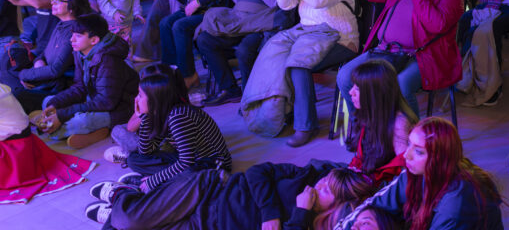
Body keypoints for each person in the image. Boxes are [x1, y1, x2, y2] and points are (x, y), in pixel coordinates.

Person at [241, 0, 358, 146]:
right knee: (272, 53)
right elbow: (285, 5)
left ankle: (306, 126)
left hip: (340, 39)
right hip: (306, 35)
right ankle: (268, 110)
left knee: (298, 65)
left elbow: (318, 0)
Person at [338, 0, 464, 116]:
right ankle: (361, 125)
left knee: (401, 83)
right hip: (385, 50)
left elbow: (437, 25)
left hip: (422, 55)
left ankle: (411, 135)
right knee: (344, 76)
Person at [86, 163, 375, 229]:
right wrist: (270, 212)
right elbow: (257, 173)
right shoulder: (306, 177)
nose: (317, 186)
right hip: (210, 189)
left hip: (208, 225)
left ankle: (127, 206)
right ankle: (125, 194)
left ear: (334, 209)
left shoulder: (308, 222)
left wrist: (300, 213)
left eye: (326, 190)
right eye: (324, 181)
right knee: (129, 220)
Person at [338, 117, 503, 230]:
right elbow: (374, 204)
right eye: (408, 144)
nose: (406, 155)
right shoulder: (415, 172)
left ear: (438, 159)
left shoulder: (455, 203)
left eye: (419, 151)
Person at [122, 66, 231, 193]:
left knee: (184, 175)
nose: (136, 99)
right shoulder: (160, 113)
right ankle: (163, 181)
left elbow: (186, 162)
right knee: (133, 159)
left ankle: (156, 182)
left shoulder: (178, 116)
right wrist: (144, 116)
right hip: (191, 161)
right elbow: (145, 151)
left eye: (140, 95)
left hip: (212, 164)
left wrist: (155, 179)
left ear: (153, 100)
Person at [36, 13, 138, 149]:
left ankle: (101, 130)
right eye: (72, 34)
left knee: (77, 122)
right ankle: (95, 130)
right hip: (95, 100)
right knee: (48, 102)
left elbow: (106, 102)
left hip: (120, 109)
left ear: (94, 40)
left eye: (78, 36)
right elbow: (80, 87)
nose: (71, 40)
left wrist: (62, 114)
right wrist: (56, 104)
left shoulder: (108, 60)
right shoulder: (80, 52)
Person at [347, 60, 418, 184]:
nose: (350, 92)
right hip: (367, 175)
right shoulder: (368, 112)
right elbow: (360, 157)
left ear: (375, 94)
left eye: (357, 89)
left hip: (382, 187)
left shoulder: (399, 123)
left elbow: (405, 173)